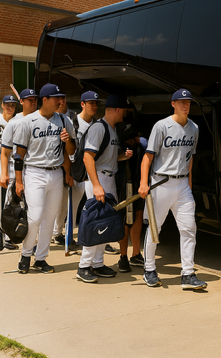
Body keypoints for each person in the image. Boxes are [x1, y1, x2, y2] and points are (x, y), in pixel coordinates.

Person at [139, 88, 207, 290]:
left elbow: (190, 157)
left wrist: (190, 183)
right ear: (173, 104)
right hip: (161, 182)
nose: (185, 105)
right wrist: (144, 183)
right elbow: (147, 157)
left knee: (189, 229)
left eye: (188, 102)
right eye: (181, 102)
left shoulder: (194, 127)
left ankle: (188, 273)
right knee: (154, 229)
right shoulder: (161, 126)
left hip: (182, 184)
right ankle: (149, 269)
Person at [13, 84, 75, 274]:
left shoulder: (64, 120)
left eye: (61, 97)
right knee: (34, 217)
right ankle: (25, 254)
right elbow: (18, 155)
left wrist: (68, 141)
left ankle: (40, 259)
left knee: (49, 219)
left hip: (56, 172)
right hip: (34, 172)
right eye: (57, 98)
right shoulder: (28, 121)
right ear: (45, 100)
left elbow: (72, 152)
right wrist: (18, 180)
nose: (60, 101)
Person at [76, 94, 133, 283]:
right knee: (95, 224)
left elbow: (108, 157)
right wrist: (97, 185)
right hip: (98, 179)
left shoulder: (112, 129)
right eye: (123, 110)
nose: (125, 113)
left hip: (108, 179)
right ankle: (84, 266)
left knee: (105, 224)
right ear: (117, 109)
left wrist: (124, 156)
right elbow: (87, 157)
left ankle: (98, 263)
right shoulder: (99, 128)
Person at [51, 91, 98, 247]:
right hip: (76, 170)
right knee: (70, 206)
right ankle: (65, 236)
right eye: (91, 103)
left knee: (94, 205)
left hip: (93, 171)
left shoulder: (98, 124)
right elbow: (66, 149)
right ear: (82, 104)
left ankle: (94, 237)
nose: (95, 106)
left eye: (96, 103)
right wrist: (68, 171)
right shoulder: (72, 121)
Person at [117, 124, 147, 272]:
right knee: (125, 220)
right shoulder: (120, 147)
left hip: (137, 184)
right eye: (133, 138)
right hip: (124, 185)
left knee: (138, 217)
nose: (137, 140)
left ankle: (136, 254)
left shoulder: (140, 146)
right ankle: (123, 256)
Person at [0, 94, 18, 249]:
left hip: (12, 166)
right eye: (7, 104)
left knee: (8, 204)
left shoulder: (16, 122)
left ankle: (6, 237)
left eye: (12, 105)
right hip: (1, 165)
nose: (10, 107)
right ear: (2, 105)